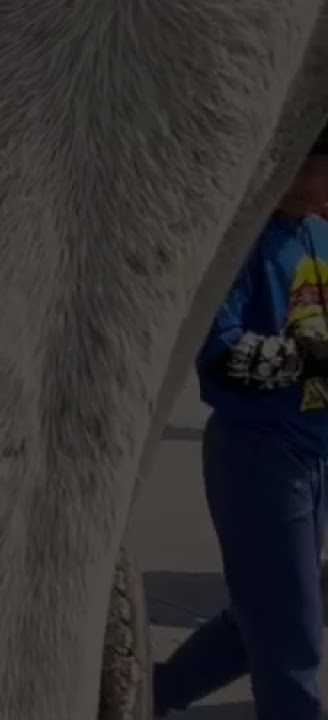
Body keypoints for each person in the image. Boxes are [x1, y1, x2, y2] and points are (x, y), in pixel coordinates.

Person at [153, 137, 328, 720]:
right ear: (297, 163)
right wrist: (306, 358)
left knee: (261, 618)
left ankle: (146, 696)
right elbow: (218, 350)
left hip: (313, 456)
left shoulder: (317, 233)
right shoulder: (239, 241)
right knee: (291, 642)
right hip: (259, 458)